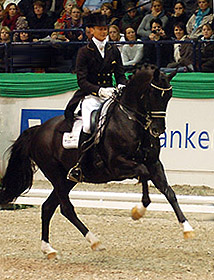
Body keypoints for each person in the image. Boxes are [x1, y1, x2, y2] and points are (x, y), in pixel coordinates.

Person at [66, 13, 127, 182]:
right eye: (100, 29)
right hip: (91, 96)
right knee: (88, 125)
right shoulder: (84, 52)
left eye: (105, 29)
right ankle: (80, 165)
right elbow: (82, 81)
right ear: (91, 30)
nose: (103, 32)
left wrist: (121, 85)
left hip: (111, 94)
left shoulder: (113, 49)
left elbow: (120, 74)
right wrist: (100, 91)